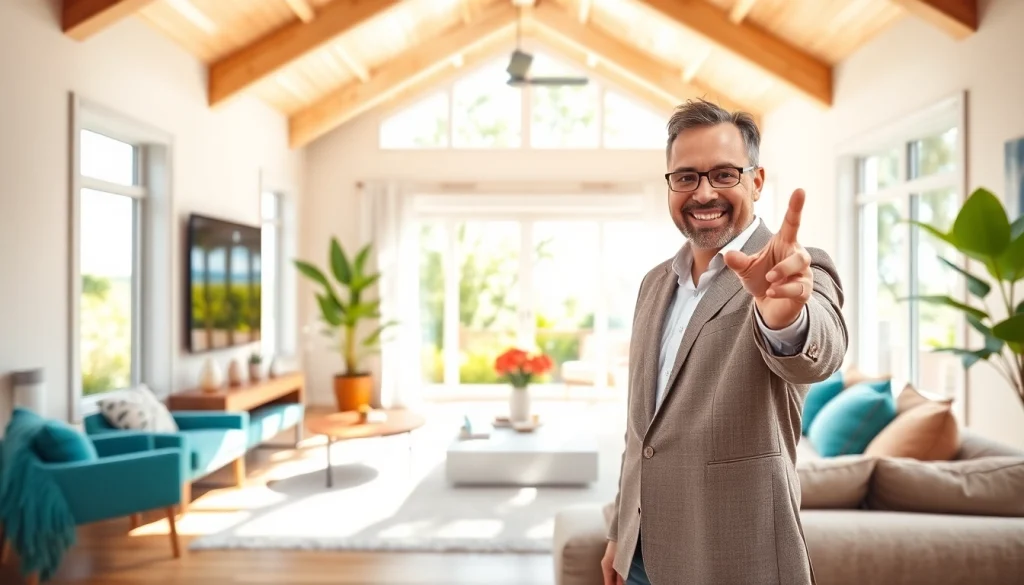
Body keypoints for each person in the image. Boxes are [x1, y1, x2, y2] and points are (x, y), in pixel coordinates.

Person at [600, 99, 848, 585]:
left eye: (724, 174)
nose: (703, 192)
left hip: (737, 557)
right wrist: (619, 532)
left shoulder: (796, 269)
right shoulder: (655, 283)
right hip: (641, 556)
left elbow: (821, 355)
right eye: (686, 177)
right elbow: (640, 432)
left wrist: (785, 319)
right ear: (670, 185)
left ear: (756, 181)